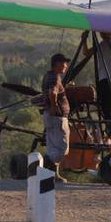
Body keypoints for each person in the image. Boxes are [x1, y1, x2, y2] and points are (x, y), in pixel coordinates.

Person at [41, 53, 71, 182]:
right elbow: (52, 92)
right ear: (57, 64)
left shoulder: (49, 75)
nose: (66, 65)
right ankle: (45, 165)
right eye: (64, 63)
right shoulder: (55, 77)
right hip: (56, 117)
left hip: (50, 115)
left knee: (52, 146)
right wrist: (54, 106)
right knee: (62, 149)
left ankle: (53, 175)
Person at [82, 32, 111, 128]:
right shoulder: (99, 45)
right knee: (103, 104)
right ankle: (108, 125)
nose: (102, 33)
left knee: (110, 104)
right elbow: (86, 53)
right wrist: (84, 39)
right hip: (102, 77)